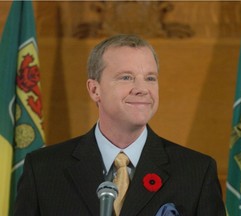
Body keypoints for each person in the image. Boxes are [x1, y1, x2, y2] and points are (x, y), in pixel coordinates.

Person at [14, 34, 226, 216]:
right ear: (94, 90)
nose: (142, 89)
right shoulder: (43, 169)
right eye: (126, 77)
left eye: (150, 78)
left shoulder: (196, 171)